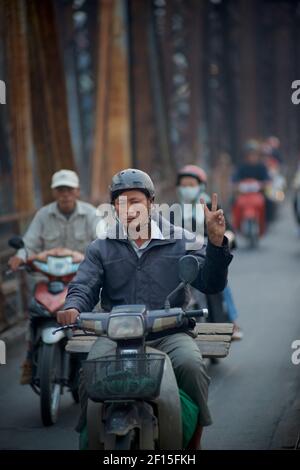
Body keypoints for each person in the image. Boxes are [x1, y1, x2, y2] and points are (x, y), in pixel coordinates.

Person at [57, 168, 233, 449]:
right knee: (89, 372)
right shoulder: (101, 247)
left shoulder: (181, 239)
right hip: (116, 335)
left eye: (135, 201)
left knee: (191, 366)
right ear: (114, 207)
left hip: (169, 331)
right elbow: (84, 285)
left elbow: (212, 283)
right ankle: (89, 436)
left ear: (151, 202)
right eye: (121, 202)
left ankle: (194, 440)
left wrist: (214, 243)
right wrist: (73, 306)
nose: (129, 209)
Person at [8, 169, 100, 384]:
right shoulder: (43, 215)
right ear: (54, 192)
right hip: (49, 280)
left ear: (77, 191)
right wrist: (19, 256)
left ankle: (96, 358)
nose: (65, 194)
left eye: (69, 189)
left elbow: (102, 242)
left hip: (81, 280)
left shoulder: (92, 214)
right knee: (34, 312)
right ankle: (30, 358)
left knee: (95, 315)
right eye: (60, 190)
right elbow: (29, 244)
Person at [176, 164, 243, 340]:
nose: (187, 188)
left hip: (207, 254)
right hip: (184, 257)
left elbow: (227, 229)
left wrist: (223, 237)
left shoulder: (211, 206)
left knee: (223, 284)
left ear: (201, 186)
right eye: (183, 185)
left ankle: (233, 322)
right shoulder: (175, 210)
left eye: (191, 184)